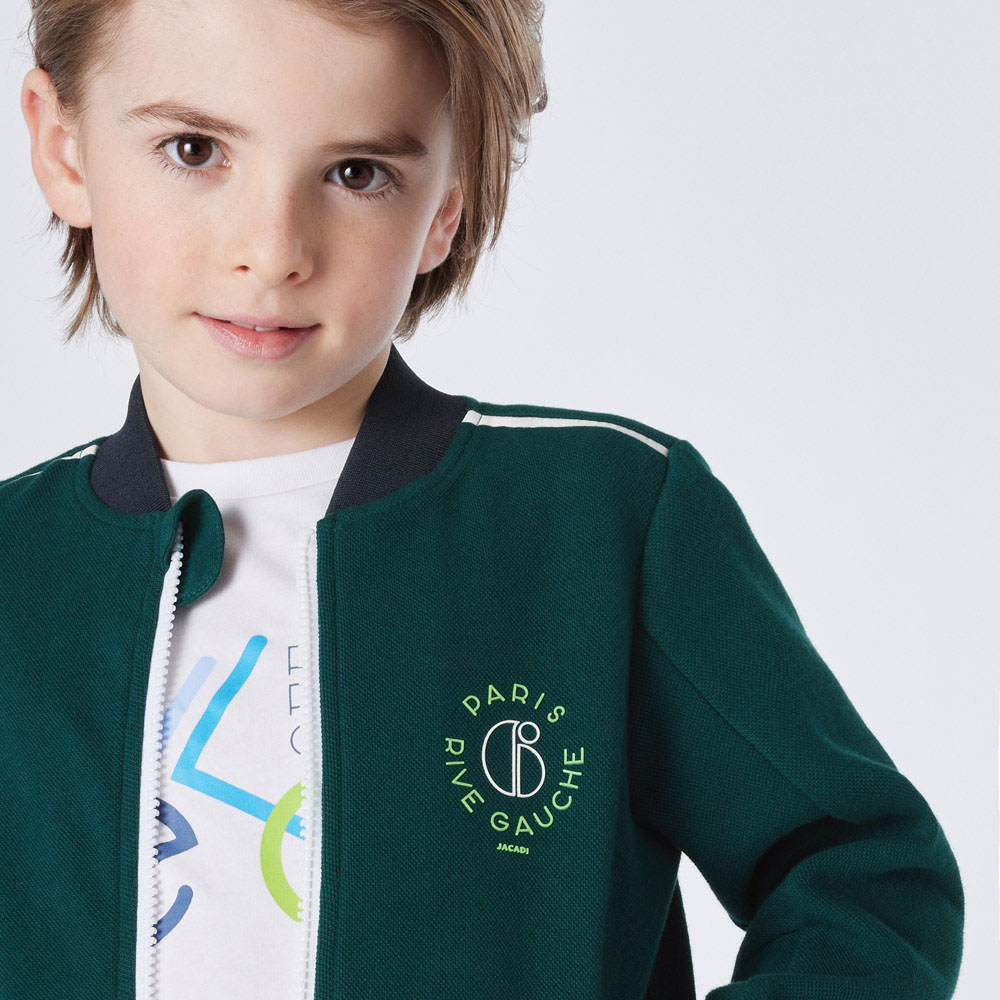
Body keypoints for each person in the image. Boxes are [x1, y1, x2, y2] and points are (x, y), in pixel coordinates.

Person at [1, 1, 963, 998]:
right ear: (64, 148)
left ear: (446, 204)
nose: (273, 248)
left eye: (355, 172)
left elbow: (867, 878)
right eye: (195, 150)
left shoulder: (604, 520)